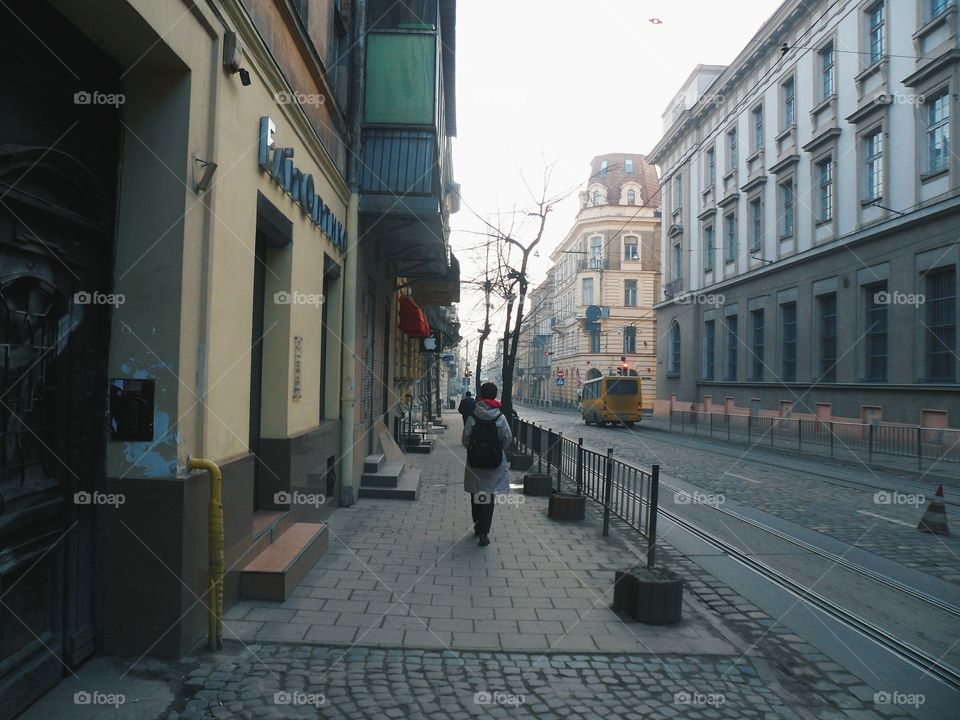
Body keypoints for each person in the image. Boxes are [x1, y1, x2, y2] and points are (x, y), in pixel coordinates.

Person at [462, 382, 513, 546]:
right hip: (494, 465)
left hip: (475, 463)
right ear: (494, 395)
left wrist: (475, 451)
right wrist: (498, 452)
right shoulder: (500, 417)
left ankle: (477, 525)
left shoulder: (473, 416)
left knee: (476, 495)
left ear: (481, 395)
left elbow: (465, 439)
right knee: (488, 497)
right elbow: (508, 439)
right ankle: (484, 532)